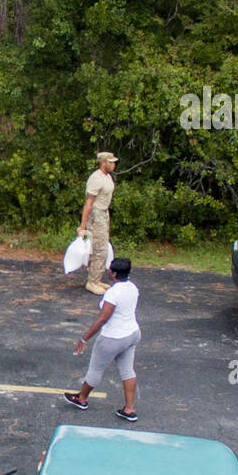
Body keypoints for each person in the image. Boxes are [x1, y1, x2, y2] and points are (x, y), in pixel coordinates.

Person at [64, 257, 140, 422]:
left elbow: (103, 319)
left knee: (95, 369)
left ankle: (82, 398)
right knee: (128, 371)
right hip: (132, 334)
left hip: (112, 338)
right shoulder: (133, 288)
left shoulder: (113, 293)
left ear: (113, 273)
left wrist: (84, 339)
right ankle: (129, 409)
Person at [78, 151, 118, 294]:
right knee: (99, 249)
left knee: (102, 248)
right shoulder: (96, 178)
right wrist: (82, 226)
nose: (113, 164)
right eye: (111, 162)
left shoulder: (107, 177)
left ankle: (97, 278)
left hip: (104, 213)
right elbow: (88, 203)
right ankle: (92, 282)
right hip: (96, 215)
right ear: (103, 163)